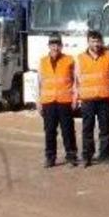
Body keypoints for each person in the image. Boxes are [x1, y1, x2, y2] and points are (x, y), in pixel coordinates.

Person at [38, 33, 78, 168]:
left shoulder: (69, 60)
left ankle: (71, 156)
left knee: (68, 130)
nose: (55, 47)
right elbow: (39, 83)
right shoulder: (42, 61)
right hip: (48, 101)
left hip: (64, 100)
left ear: (61, 46)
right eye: (52, 45)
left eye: (57, 44)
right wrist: (38, 101)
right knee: (49, 131)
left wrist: (75, 98)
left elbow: (75, 81)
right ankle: (50, 157)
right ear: (49, 46)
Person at [75, 30, 109, 167]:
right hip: (88, 100)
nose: (96, 44)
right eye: (93, 41)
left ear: (101, 42)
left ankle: (104, 154)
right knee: (87, 129)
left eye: (98, 41)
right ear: (88, 42)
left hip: (104, 98)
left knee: (105, 128)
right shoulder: (80, 58)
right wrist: (77, 97)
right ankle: (87, 156)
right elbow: (77, 79)